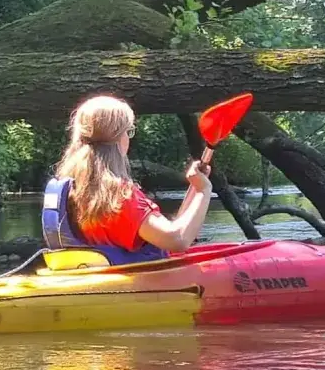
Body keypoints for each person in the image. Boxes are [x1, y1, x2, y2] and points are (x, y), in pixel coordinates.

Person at [53, 94, 213, 254]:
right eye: (128, 131)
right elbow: (177, 240)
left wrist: (196, 188)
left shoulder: (71, 188)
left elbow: (174, 231)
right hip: (135, 277)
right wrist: (204, 191)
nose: (128, 138)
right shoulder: (119, 195)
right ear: (118, 138)